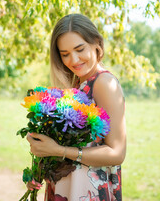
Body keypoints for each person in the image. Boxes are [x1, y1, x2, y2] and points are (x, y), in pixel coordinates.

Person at [26, 14, 126, 200]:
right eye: (64, 54)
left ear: (97, 43)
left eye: (80, 49)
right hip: (65, 188)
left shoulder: (104, 83)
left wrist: (59, 150)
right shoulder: (75, 86)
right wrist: (40, 168)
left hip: (86, 192)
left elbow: (117, 153)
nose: (73, 60)